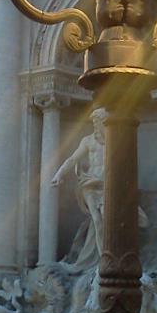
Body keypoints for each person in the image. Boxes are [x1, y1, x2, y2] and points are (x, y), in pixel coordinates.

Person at [52, 108, 107, 271]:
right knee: (97, 220)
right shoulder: (88, 141)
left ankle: (108, 256)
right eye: (95, 122)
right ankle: (104, 260)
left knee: (106, 218)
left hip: (106, 183)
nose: (97, 125)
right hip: (89, 184)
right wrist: (59, 174)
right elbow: (73, 159)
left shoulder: (115, 138)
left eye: (100, 121)